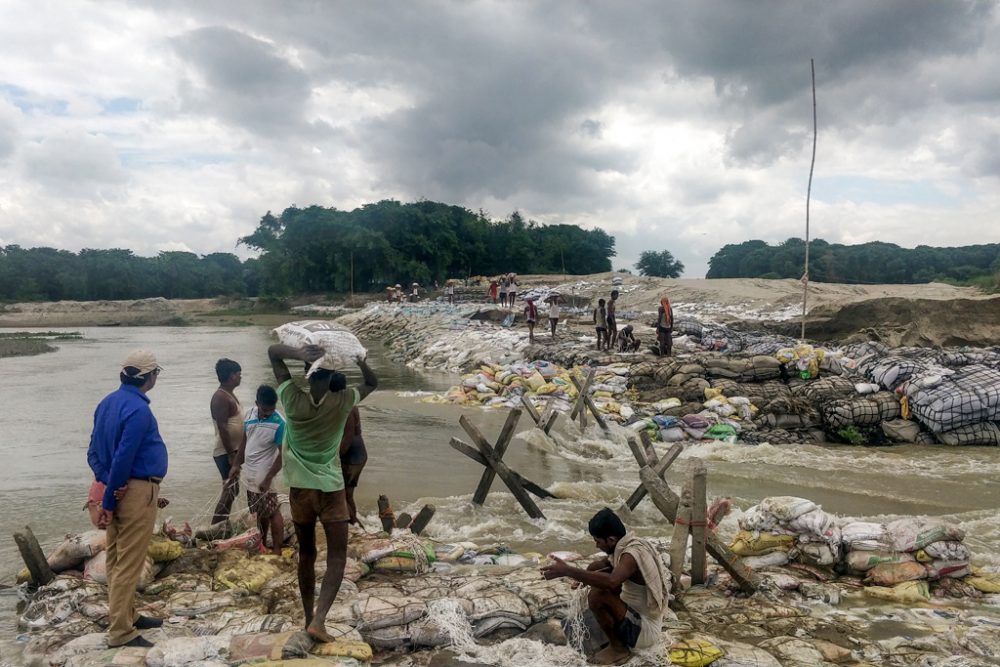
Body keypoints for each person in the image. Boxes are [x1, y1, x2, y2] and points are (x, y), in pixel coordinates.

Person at [267, 343, 378, 642]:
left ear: (306, 374)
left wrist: (300, 354)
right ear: (332, 376)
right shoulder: (343, 402)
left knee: (306, 554)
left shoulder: (291, 399)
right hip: (330, 487)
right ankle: (319, 620)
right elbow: (372, 382)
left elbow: (273, 352)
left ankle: (306, 617)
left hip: (300, 489)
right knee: (337, 558)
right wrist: (361, 361)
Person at [86, 350, 168, 648]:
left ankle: (128, 614)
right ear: (148, 377)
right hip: (134, 491)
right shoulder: (139, 410)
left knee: (116, 557)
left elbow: (93, 453)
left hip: (119, 487)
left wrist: (107, 485)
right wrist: (110, 497)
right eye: (156, 373)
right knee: (129, 562)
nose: (157, 377)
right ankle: (121, 631)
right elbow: (124, 456)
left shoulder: (107, 403)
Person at [541, 508, 670, 665]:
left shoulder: (631, 554)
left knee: (598, 595)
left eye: (598, 541)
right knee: (596, 570)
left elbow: (611, 581)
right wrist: (584, 578)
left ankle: (619, 649)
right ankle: (614, 639)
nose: (596, 546)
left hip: (644, 631)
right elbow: (600, 566)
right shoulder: (623, 547)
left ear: (611, 540)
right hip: (634, 617)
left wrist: (568, 570)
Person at [228, 385, 286, 556]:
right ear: (257, 403)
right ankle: (262, 543)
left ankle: (277, 549)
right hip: (251, 474)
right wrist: (236, 465)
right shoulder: (250, 414)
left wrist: (268, 478)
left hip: (266, 475)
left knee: (273, 512)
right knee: (259, 512)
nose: (268, 413)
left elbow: (284, 455)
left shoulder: (279, 423)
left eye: (271, 410)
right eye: (265, 409)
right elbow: (245, 443)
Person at [210, 358, 243, 525]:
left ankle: (222, 524)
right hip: (225, 451)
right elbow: (223, 427)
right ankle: (216, 525)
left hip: (233, 450)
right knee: (230, 489)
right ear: (231, 376)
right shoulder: (220, 397)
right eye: (239, 374)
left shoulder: (229, 394)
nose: (240, 377)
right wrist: (231, 455)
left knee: (233, 489)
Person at [332, 373, 367, 525]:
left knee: (342, 494)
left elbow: (347, 437)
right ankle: (353, 523)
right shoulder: (348, 402)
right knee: (347, 494)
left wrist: (335, 458)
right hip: (358, 453)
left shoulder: (344, 407)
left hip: (352, 455)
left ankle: (355, 524)